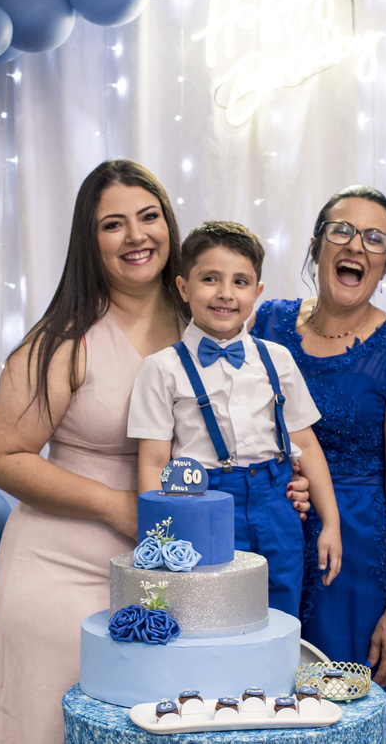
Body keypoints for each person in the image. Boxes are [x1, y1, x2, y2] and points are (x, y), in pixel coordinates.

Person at [0, 163, 308, 743]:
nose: (137, 236)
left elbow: (255, 427)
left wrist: (286, 478)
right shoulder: (61, 338)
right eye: (113, 224)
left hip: (178, 573)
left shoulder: (205, 317)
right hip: (65, 571)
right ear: (90, 240)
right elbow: (1, 457)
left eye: (149, 216)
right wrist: (116, 506)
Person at [251, 185, 386, 742]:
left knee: (354, 718)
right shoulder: (264, 322)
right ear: (315, 246)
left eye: (374, 238)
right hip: (271, 538)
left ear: (385, 263)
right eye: (342, 230)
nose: (356, 244)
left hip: (359, 565)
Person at [129, 222, 341, 617]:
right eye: (210, 278)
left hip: (276, 506)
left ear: (257, 293)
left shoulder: (277, 358)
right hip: (203, 506)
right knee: (209, 615)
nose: (226, 293)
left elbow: (306, 443)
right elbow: (154, 462)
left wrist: (331, 522)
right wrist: (158, 542)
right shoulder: (161, 368)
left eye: (241, 282)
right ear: (183, 287)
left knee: (279, 614)